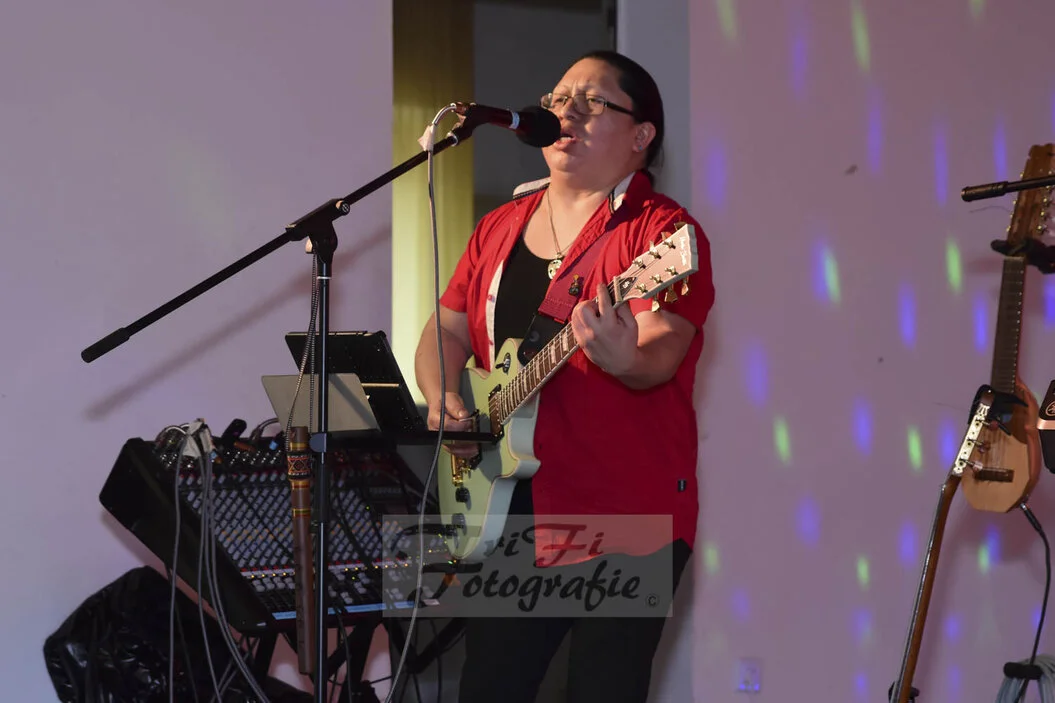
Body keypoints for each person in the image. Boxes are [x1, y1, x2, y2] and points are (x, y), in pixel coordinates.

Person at [413, 49, 715, 703]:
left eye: (593, 101)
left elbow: (660, 355)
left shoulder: (663, 235)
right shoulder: (498, 227)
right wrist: (442, 397)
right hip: (508, 510)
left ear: (640, 136)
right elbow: (446, 330)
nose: (566, 112)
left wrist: (623, 356)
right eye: (558, 99)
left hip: (626, 514)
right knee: (488, 689)